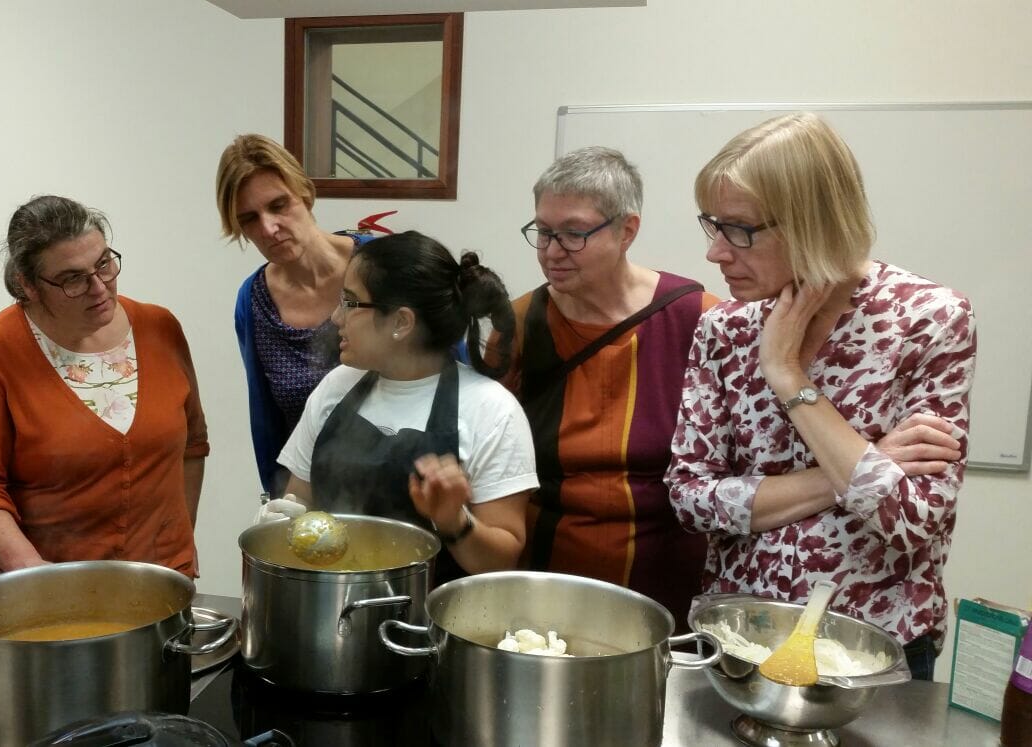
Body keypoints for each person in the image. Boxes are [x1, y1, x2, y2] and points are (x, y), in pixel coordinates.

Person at [667, 112, 976, 680]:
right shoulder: (725, 329)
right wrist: (866, 461)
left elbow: (909, 519)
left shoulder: (927, 320)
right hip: (738, 638)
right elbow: (690, 499)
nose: (716, 253)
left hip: (875, 655)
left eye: (740, 229)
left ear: (812, 222)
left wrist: (788, 376)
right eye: (712, 225)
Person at [503, 147, 718, 628]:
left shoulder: (697, 317)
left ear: (627, 231)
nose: (553, 251)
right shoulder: (518, 324)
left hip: (669, 578)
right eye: (543, 232)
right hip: (547, 576)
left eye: (574, 233)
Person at [0, 196, 208, 574]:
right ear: (28, 285)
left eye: (104, 264)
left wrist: (183, 543)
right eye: (72, 279)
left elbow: (193, 444)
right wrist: (29, 567)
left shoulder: (159, 327)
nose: (99, 288)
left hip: (163, 577)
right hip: (54, 586)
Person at [275, 231, 538, 581]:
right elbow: (300, 499)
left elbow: (501, 561)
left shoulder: (491, 411)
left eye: (350, 303)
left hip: (430, 623)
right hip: (329, 608)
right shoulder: (337, 387)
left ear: (401, 322)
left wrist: (453, 520)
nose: (336, 318)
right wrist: (283, 520)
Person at [216, 134, 374, 495]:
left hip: (410, 498)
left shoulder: (384, 265)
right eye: (249, 219)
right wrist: (280, 514)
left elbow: (450, 378)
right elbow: (267, 424)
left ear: (304, 192)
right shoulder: (254, 302)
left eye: (278, 205)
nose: (269, 228)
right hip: (313, 502)